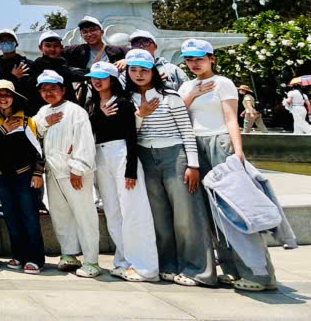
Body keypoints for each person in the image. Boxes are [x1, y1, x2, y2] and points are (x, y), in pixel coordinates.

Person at [178, 39, 276, 291]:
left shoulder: (223, 83)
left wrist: (238, 151)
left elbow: (231, 118)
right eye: (189, 59)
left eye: (200, 58)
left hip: (220, 142)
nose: (194, 63)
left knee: (234, 208)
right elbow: (179, 114)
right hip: (194, 146)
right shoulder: (187, 86)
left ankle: (260, 275)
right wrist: (193, 95)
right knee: (212, 213)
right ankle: (231, 270)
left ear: (212, 59)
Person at [126, 49, 216, 287]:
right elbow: (129, 134)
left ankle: (198, 270)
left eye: (144, 70)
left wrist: (193, 164)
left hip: (175, 156)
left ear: (153, 72)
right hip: (146, 158)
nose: (138, 74)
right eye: (133, 70)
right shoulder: (128, 98)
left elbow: (186, 130)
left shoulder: (170, 96)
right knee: (159, 217)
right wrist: (140, 114)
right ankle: (168, 265)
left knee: (187, 215)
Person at [84, 62, 158, 282]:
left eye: (102, 77)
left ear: (112, 79)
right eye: (94, 77)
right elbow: (88, 130)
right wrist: (99, 115)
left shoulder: (123, 102)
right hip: (100, 155)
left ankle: (145, 267)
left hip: (122, 154)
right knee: (113, 211)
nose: (97, 81)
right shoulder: (91, 104)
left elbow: (131, 135)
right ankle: (124, 260)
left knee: (133, 210)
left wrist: (131, 169)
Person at [32, 70, 100, 278]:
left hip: (74, 173)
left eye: (53, 88)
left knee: (84, 215)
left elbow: (84, 141)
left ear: (62, 89)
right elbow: (32, 130)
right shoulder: (43, 111)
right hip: (53, 172)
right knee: (60, 215)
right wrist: (46, 122)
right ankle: (68, 254)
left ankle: (92, 260)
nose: (49, 93)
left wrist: (78, 168)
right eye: (44, 89)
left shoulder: (75, 111)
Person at [0, 80, 45, 274]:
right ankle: (19, 255)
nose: (3, 98)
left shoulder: (25, 121)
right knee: (11, 217)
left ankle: (35, 259)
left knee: (29, 216)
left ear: (13, 98)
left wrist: (38, 173)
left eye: (7, 94)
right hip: (1, 177)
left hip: (24, 176)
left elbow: (38, 150)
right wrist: (2, 129)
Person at [26, 31, 87, 106]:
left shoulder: (64, 65)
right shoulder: (35, 67)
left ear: (61, 47)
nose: (52, 49)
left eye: (56, 46)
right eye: (48, 46)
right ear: (40, 48)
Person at [0, 29, 36, 113]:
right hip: (4, 112)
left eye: (9, 40)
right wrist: (13, 77)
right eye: (2, 41)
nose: (6, 43)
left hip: (28, 110)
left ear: (16, 44)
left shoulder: (29, 64)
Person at [123, 30, 188, 87]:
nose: (141, 46)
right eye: (136, 43)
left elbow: (187, 91)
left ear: (155, 47)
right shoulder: (124, 70)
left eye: (146, 42)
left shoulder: (172, 69)